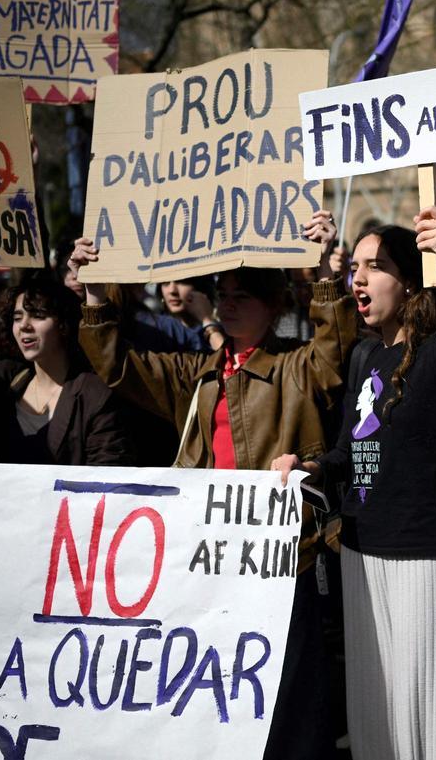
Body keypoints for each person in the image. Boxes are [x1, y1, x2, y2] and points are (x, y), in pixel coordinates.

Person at [68, 213, 355, 760]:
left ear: (273, 306)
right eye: (222, 294)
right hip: (213, 561)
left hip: (284, 560)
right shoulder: (197, 376)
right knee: (223, 695)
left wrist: (322, 274)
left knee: (289, 700)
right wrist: (94, 297)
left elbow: (335, 344)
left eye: (242, 295)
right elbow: (115, 364)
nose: (226, 304)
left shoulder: (300, 369)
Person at [272, 206, 436, 760]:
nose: (358, 278)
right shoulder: (364, 353)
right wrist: (310, 469)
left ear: (408, 281)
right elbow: (350, 452)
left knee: (423, 703)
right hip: (361, 549)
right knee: (376, 703)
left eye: (374, 266)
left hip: (422, 554)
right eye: (354, 266)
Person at [0, 248, 134, 466]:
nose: (24, 326)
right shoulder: (2, 378)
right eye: (17, 318)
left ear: (64, 325)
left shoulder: (94, 395)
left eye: (38, 315)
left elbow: (105, 480)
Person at [158, 274, 225, 349]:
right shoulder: (156, 329)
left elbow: (227, 358)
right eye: (165, 283)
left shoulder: (227, 329)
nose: (172, 291)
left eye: (182, 281)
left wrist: (207, 321)